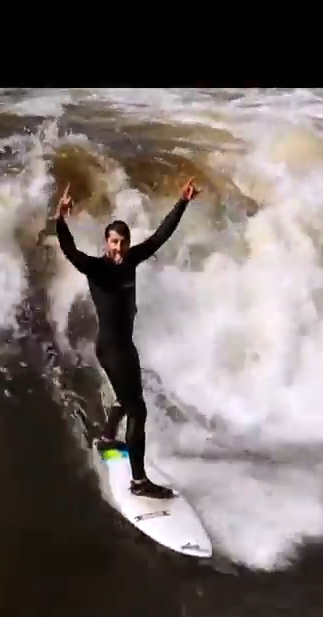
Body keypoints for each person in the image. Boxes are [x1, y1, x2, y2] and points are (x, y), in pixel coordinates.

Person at [52, 177, 200, 499]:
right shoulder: (97, 268)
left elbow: (161, 236)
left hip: (124, 347)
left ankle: (107, 438)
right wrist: (60, 220)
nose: (117, 248)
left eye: (122, 242)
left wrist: (182, 202)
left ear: (128, 243)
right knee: (139, 410)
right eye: (113, 242)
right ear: (106, 243)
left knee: (127, 395)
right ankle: (139, 482)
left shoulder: (131, 260)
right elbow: (70, 251)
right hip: (111, 348)